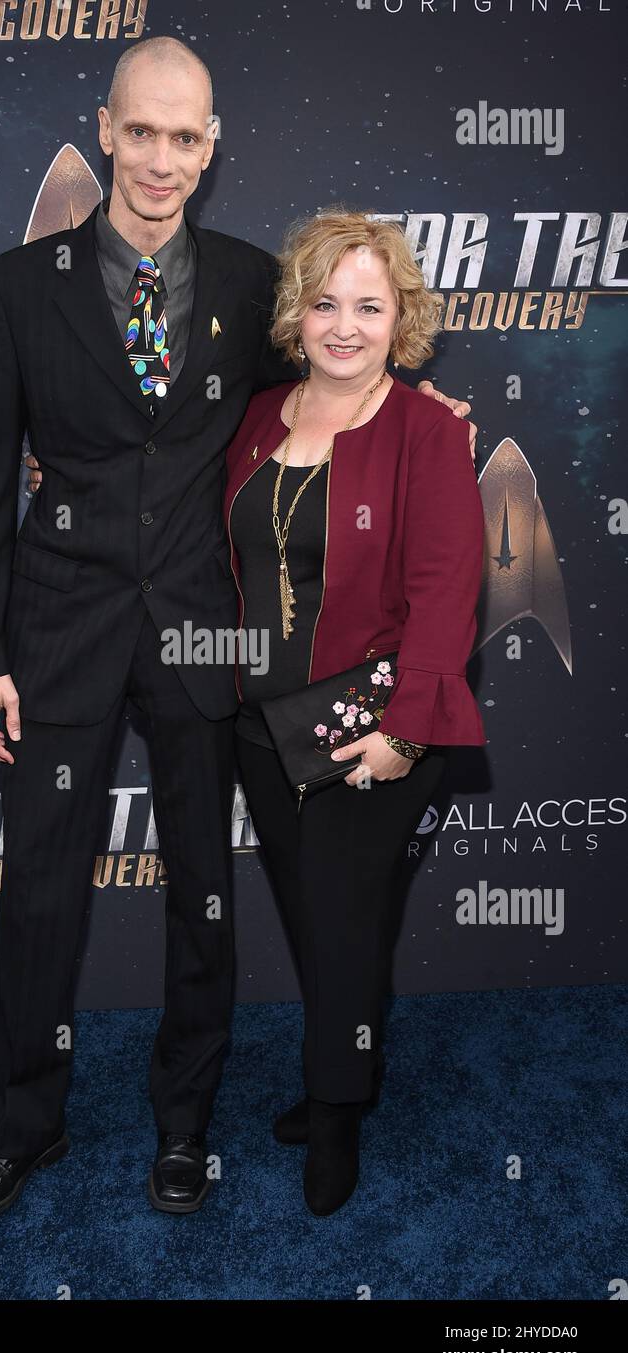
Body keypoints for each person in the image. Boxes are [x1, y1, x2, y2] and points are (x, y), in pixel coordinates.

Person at [0, 35, 475, 1227]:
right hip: (59, 636)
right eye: (142, 131)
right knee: (39, 897)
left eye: (186, 137)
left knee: (202, 894)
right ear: (108, 127)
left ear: (212, 147)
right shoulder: (13, 289)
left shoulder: (247, 285)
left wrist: (427, 402)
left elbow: (345, 375)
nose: (161, 159)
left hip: (205, 642)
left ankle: (184, 1128)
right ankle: (20, 1129)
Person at [223, 209, 486, 1215]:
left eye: (368, 306)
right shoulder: (256, 417)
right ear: (297, 310)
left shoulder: (427, 429)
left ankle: (334, 1115)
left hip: (372, 731)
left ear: (400, 316)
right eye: (326, 302)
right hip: (259, 723)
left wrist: (404, 733)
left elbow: (445, 589)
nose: (344, 325)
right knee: (315, 920)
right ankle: (351, 1066)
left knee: (339, 929)